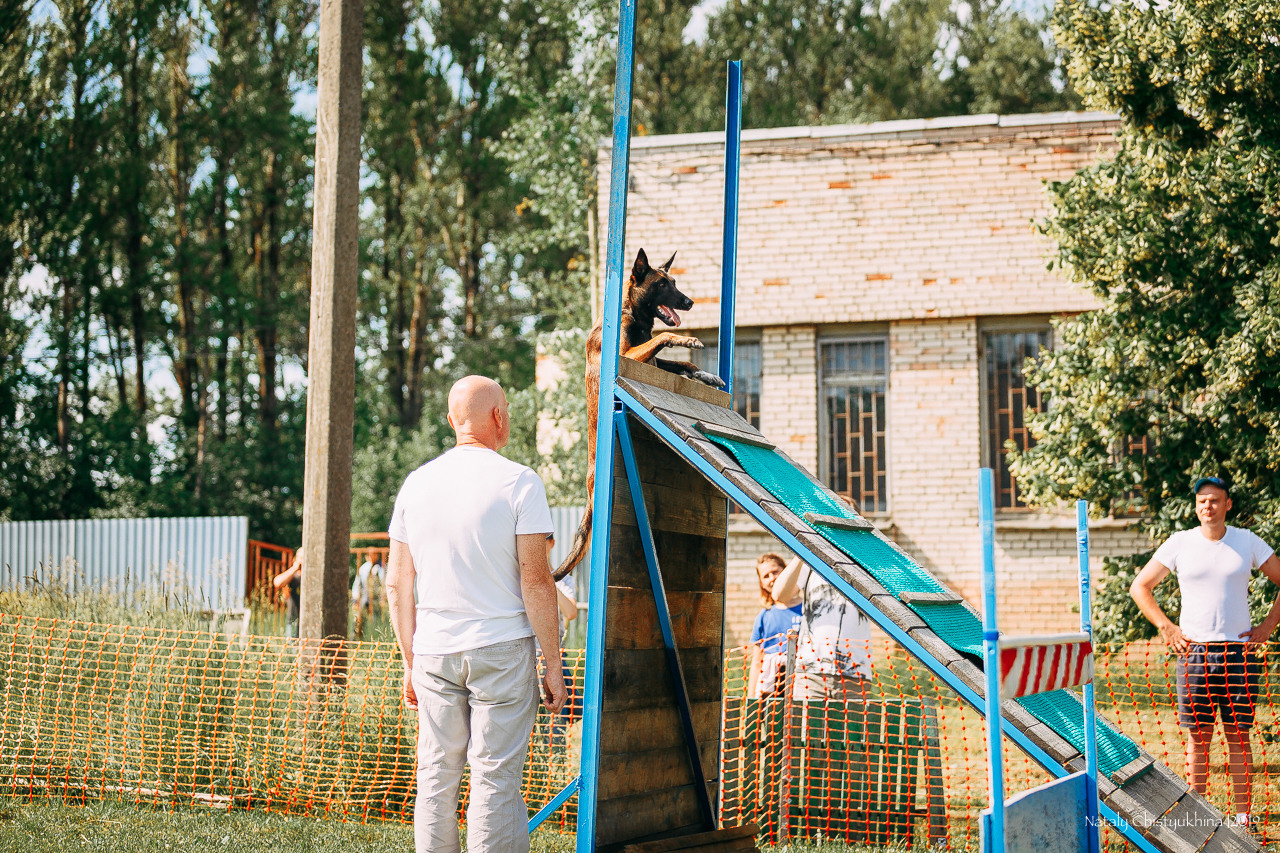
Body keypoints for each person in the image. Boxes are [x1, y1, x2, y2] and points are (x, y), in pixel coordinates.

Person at [385, 375, 568, 853]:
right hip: (502, 651)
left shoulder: (415, 484)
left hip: (433, 652)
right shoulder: (520, 482)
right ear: (498, 418)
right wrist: (553, 662)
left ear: (451, 421)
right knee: (493, 778)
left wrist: (409, 661)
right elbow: (536, 580)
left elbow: (397, 582)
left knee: (436, 776)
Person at [1130, 475, 1280, 830]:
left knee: (1239, 737)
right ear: (1195, 506)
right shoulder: (1180, 543)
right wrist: (1166, 627)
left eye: (1214, 500)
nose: (1207, 506)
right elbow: (1140, 586)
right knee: (1198, 739)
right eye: (1201, 501)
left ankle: (1243, 818)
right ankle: (1197, 817)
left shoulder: (1247, 541)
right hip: (1194, 654)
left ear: (1227, 505)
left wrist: (1268, 625)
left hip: (1238, 654)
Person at [772, 554, 873, 700]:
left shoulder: (864, 557)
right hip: (811, 673)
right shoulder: (810, 559)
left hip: (855, 673)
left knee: (853, 724)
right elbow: (780, 595)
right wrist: (801, 549)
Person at [747, 552, 804, 699]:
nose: (772, 578)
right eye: (766, 576)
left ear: (786, 572)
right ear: (761, 583)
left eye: (775, 572)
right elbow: (757, 662)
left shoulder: (807, 611)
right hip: (771, 690)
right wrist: (751, 697)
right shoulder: (764, 616)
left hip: (801, 684)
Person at [351, 552, 385, 639]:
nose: (371, 557)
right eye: (369, 555)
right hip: (365, 597)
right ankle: (356, 638)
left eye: (374, 555)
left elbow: (384, 584)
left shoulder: (382, 567)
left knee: (377, 620)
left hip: (377, 598)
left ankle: (376, 637)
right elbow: (357, 583)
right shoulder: (364, 568)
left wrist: (383, 598)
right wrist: (355, 599)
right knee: (359, 619)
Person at [272, 549, 303, 638]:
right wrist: (294, 568)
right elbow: (277, 582)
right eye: (301, 557)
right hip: (293, 620)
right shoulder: (293, 576)